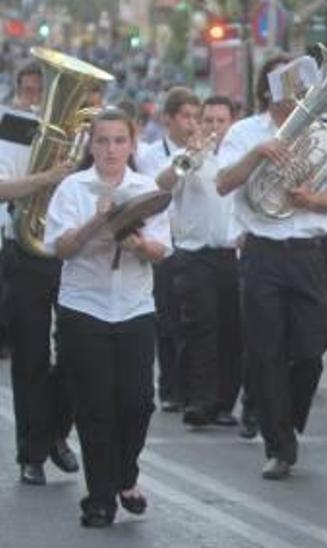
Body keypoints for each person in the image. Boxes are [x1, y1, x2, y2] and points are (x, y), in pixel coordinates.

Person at [215, 54, 327, 480]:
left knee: (311, 352)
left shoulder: (326, 135)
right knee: (266, 350)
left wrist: (312, 200)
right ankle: (279, 445)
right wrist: (257, 154)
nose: (296, 94)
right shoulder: (244, 132)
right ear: (267, 88)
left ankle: (286, 420)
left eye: (303, 85)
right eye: (287, 85)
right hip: (262, 250)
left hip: (309, 250)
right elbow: (223, 183)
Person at [45, 107, 172, 527]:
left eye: (119, 140)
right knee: (94, 404)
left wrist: (138, 244)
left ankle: (125, 474)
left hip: (134, 306)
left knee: (138, 401)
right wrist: (99, 218)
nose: (111, 149)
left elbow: (161, 248)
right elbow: (61, 248)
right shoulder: (72, 188)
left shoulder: (146, 187)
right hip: (85, 305)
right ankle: (100, 498)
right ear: (91, 145)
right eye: (102, 141)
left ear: (132, 144)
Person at [0, 62, 80, 488]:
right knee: (30, 357)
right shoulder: (9, 126)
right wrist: (46, 178)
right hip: (25, 251)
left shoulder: (83, 132)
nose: (34, 100)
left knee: (74, 354)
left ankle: (56, 435)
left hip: (71, 254)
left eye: (41, 92)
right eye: (28, 91)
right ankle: (32, 454)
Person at [152, 95, 243, 429]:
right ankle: (197, 401)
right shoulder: (186, 157)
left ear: (231, 123)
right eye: (208, 121)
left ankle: (223, 403)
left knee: (231, 330)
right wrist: (190, 158)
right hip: (194, 253)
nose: (214, 128)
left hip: (230, 253)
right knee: (200, 326)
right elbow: (162, 186)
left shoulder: (239, 157)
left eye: (221, 121)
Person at [135, 86, 201, 415]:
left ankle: (191, 387)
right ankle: (171, 388)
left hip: (196, 242)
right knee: (168, 320)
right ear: (169, 119)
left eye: (195, 117)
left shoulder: (204, 149)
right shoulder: (149, 154)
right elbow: (154, 192)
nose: (192, 124)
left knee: (193, 321)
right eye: (186, 116)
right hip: (165, 241)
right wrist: (184, 158)